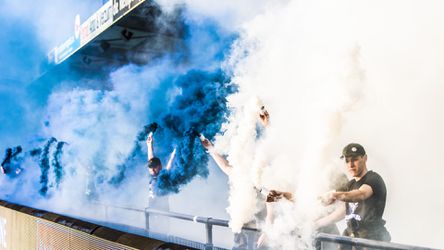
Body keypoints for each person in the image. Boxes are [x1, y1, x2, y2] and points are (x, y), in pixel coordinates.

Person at [199, 106, 270, 250]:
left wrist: (268, 126)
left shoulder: (259, 172)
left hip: (258, 225)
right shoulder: (240, 172)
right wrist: (211, 149)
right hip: (242, 225)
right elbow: (226, 167)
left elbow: (270, 149)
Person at [315, 143, 391, 245]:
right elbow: (330, 204)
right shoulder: (350, 185)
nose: (350, 165)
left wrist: (334, 195)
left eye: (354, 159)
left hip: (371, 240)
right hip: (351, 239)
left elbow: (361, 194)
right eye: (347, 161)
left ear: (365, 158)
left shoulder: (373, 179)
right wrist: (292, 197)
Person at [146, 132, 176, 198]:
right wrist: (149, 145)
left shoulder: (162, 176)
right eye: (150, 168)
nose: (152, 170)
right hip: (152, 204)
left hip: (160, 206)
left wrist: (174, 153)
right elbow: (150, 158)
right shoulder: (153, 173)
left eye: (154, 167)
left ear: (160, 166)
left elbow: (169, 166)